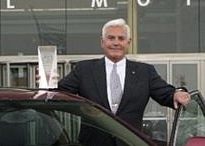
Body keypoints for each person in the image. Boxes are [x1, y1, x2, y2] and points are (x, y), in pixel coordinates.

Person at [58, 18, 190, 131]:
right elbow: (58, 93)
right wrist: (46, 82)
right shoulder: (84, 70)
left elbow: (166, 94)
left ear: (128, 43)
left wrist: (177, 93)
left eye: (121, 38)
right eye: (111, 38)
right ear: (102, 42)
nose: (116, 43)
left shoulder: (145, 72)